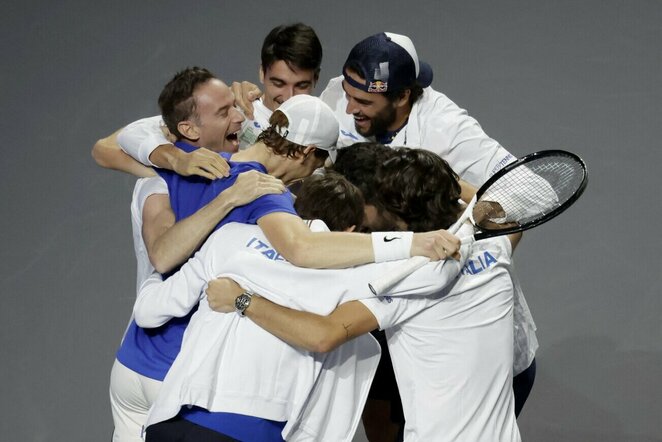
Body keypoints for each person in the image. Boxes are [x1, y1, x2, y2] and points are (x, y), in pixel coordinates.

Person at [132, 165, 469, 441]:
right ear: (351, 229)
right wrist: (451, 240)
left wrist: (159, 264)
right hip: (251, 432)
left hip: (169, 422)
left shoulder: (227, 239)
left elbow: (148, 312)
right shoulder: (352, 272)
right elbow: (437, 273)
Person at [207, 149, 523, 441]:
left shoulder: (403, 279)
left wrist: (242, 299)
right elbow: (505, 213)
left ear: (396, 214)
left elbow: (322, 335)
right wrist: (445, 185)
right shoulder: (495, 249)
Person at [104, 67, 287, 441]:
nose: (237, 116)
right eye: (224, 112)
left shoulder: (159, 171)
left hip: (134, 361)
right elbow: (163, 254)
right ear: (188, 129)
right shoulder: (213, 182)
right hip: (178, 374)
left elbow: (120, 140)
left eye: (233, 106)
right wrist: (228, 198)